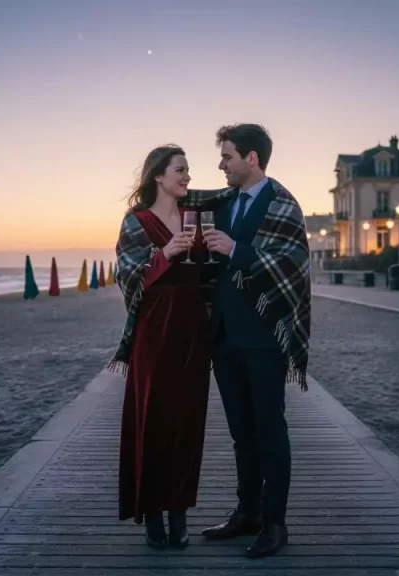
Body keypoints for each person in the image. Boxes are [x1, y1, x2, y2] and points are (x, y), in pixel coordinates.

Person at [180, 124, 312, 559]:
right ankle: (248, 513)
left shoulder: (282, 203)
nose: (221, 164)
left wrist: (236, 249)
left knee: (270, 431)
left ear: (251, 158)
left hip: (264, 337)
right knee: (241, 434)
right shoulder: (223, 202)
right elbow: (177, 203)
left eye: (227, 157)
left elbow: (290, 262)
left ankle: (276, 525)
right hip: (225, 336)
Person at [110, 145, 212, 550]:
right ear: (158, 176)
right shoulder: (136, 221)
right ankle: (152, 511)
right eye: (180, 170)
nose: (187, 177)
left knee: (188, 422)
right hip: (154, 328)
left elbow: (207, 273)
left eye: (188, 170)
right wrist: (165, 254)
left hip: (192, 327)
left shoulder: (197, 215)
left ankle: (180, 513)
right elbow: (127, 275)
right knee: (153, 418)